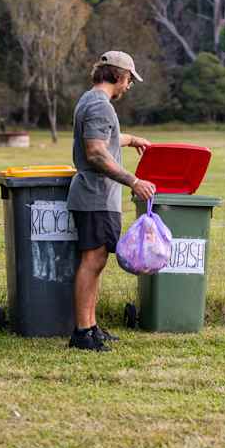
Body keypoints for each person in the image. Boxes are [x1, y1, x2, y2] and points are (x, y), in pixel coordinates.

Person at [66, 51, 156, 351]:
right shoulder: (100, 106)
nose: (128, 86)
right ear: (117, 76)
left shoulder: (91, 101)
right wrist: (134, 180)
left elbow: (102, 138)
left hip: (98, 196)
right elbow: (95, 151)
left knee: (98, 262)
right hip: (95, 195)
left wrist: (130, 139)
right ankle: (82, 333)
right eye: (129, 79)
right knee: (91, 262)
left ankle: (90, 326)